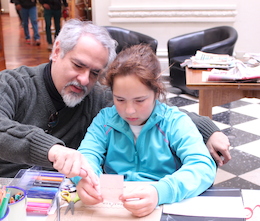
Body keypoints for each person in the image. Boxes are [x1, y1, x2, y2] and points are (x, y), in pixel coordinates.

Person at [0, 19, 229, 180]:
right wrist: (52, 150)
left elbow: (153, 108)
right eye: (78, 65)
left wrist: (208, 130)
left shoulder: (94, 98)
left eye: (94, 73)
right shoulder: (12, 84)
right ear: (57, 50)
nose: (83, 79)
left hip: (58, 196)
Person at [71, 44, 217, 217]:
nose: (129, 110)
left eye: (140, 100)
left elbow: (203, 166)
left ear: (156, 92)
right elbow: (86, 155)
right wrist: (85, 179)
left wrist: (160, 192)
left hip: (165, 207)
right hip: (114, 208)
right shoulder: (105, 120)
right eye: (120, 99)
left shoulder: (174, 122)